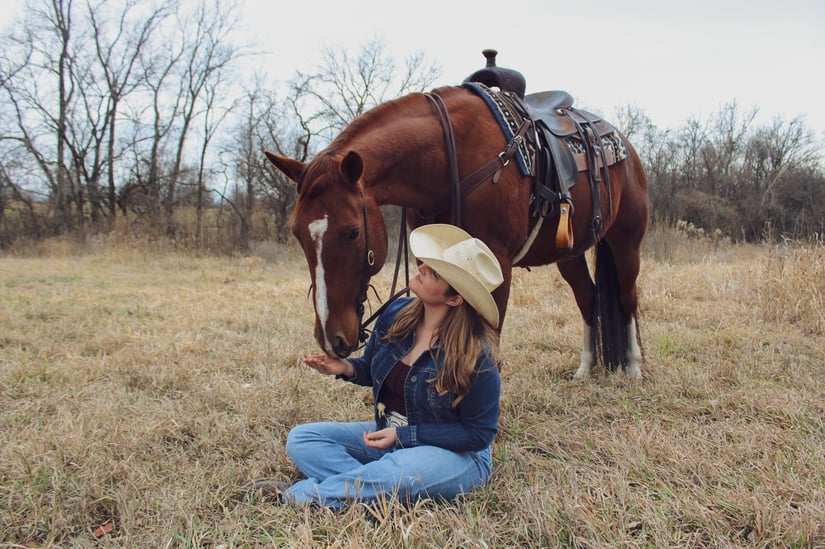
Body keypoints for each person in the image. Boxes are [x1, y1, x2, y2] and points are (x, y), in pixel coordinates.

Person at [244, 224, 504, 511]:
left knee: (399, 468)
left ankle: (303, 497)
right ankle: (373, 488)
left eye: (435, 272)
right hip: (388, 434)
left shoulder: (476, 353)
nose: (421, 268)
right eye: (428, 263)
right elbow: (370, 367)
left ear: (454, 298)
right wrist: (344, 367)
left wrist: (405, 437)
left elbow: (478, 435)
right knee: (303, 439)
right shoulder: (396, 315)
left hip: (455, 454)